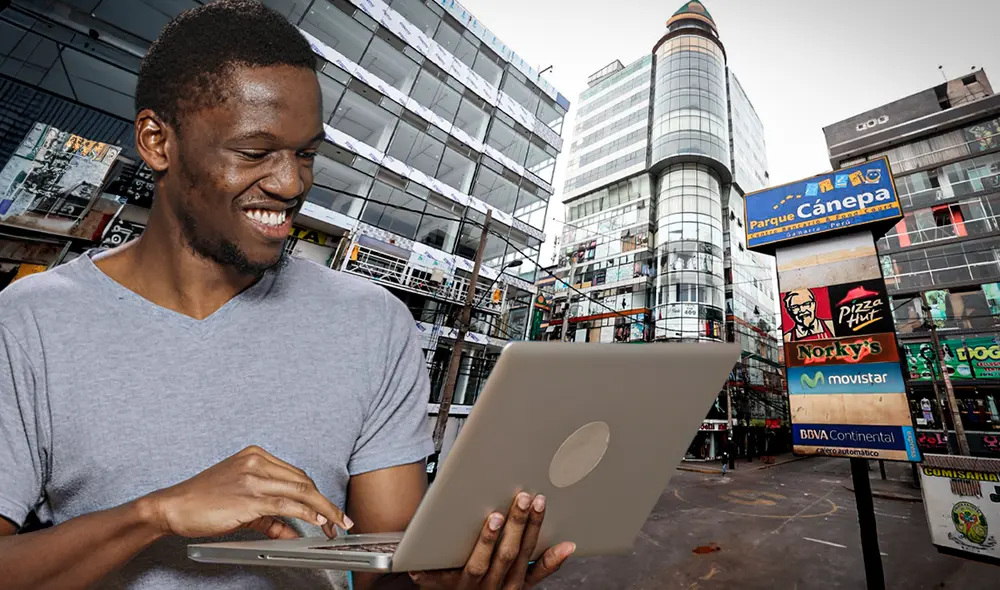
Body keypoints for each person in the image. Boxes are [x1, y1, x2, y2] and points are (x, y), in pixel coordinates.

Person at [0, 2, 575, 589]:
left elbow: (391, 571)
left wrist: (455, 579)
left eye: (305, 154)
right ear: (156, 141)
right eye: (255, 152)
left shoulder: (374, 324)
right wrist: (155, 514)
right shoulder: (29, 322)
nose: (291, 183)